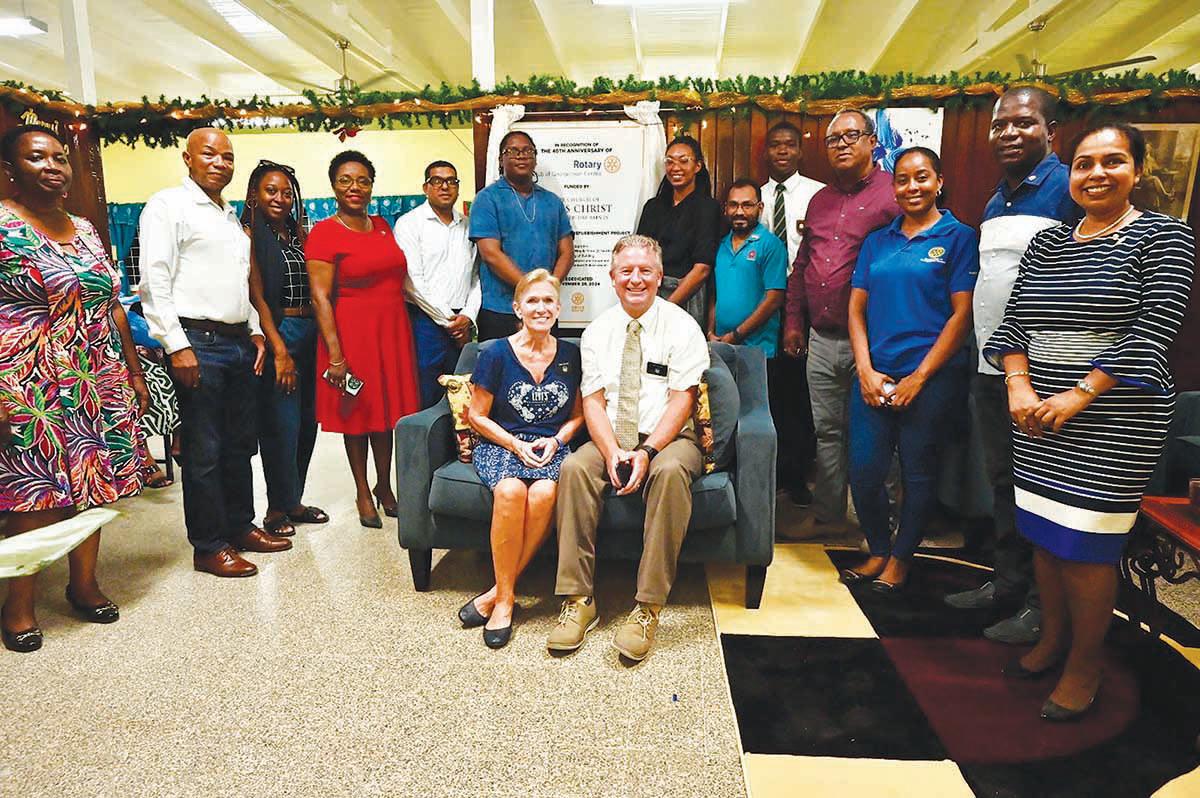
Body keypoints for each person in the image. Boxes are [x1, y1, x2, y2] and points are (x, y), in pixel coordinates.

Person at [984, 122, 1194, 721]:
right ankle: (1052, 640)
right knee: (1045, 537)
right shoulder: (1048, 243)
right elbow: (1015, 322)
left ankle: (1085, 664)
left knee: (1086, 545)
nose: (1097, 173)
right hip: (1036, 416)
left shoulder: (1163, 236)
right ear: (1069, 173)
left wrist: (1078, 396)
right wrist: (1019, 385)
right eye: (1084, 163)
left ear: (1137, 169)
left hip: (1114, 419)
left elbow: (1154, 330)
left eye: (1113, 161)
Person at [0, 125, 149, 652]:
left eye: (60, 157)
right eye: (36, 157)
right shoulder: (3, 226)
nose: (52, 166)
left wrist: (133, 374)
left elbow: (112, 305)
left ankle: (83, 584)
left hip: (96, 377)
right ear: (11, 169)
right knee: (34, 493)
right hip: (27, 382)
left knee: (92, 484)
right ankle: (18, 604)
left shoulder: (84, 228)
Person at [943, 87, 1081, 645]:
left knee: (1045, 486)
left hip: (1045, 372)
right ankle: (1007, 584)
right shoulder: (997, 197)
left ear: (1052, 132)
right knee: (1005, 481)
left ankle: (1042, 607)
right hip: (991, 364)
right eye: (1000, 125)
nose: (1008, 133)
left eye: (1023, 123)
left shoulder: (1068, 189)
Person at [548, 234, 709, 662]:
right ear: (612, 277)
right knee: (574, 469)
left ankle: (647, 607)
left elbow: (682, 400)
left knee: (670, 473)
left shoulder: (682, 326)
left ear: (659, 276)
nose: (635, 279)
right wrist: (612, 452)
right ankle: (578, 600)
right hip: (613, 436)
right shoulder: (597, 331)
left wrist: (648, 452)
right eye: (626, 271)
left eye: (645, 271)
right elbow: (593, 401)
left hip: (669, 439)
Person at [140, 128, 290, 578]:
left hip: (238, 342)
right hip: (197, 343)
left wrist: (255, 331)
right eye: (209, 154)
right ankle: (208, 546)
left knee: (240, 444)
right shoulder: (168, 206)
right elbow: (154, 281)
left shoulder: (227, 215)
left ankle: (240, 526)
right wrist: (176, 345)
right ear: (188, 157)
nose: (220, 163)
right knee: (204, 450)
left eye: (227, 156)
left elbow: (240, 282)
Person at [839, 147, 978, 591]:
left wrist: (919, 378)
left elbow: (962, 315)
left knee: (918, 472)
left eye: (922, 177)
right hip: (876, 374)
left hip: (932, 377)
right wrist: (864, 369)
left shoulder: (959, 237)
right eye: (902, 179)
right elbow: (856, 309)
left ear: (939, 182)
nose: (912, 186)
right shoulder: (877, 241)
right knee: (864, 469)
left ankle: (901, 559)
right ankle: (879, 549)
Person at [782, 109, 900, 535]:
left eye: (851, 136)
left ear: (873, 142)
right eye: (834, 139)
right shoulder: (820, 200)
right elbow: (802, 265)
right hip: (821, 337)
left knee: (879, 433)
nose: (842, 145)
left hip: (875, 341)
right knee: (827, 432)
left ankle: (883, 525)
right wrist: (794, 321)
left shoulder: (893, 194)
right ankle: (829, 515)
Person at [459, 269, 583, 649]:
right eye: (532, 301)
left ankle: (496, 593)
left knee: (544, 493)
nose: (541, 308)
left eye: (548, 301)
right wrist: (514, 444)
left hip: (550, 446)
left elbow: (579, 415)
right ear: (517, 308)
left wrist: (557, 440)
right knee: (511, 490)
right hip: (502, 443)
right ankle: (506, 601)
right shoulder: (495, 353)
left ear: (558, 308)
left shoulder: (572, 355)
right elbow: (477, 416)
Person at [306, 150, 421, 528]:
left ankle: (384, 486)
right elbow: (320, 297)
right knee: (357, 415)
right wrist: (336, 356)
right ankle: (361, 491)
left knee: (385, 415)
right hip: (351, 336)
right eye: (345, 180)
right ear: (333, 186)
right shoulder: (324, 233)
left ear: (372, 186)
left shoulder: (383, 225)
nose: (354, 187)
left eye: (362, 180)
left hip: (391, 332)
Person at [243, 160, 329, 538]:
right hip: (280, 331)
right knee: (281, 425)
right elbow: (257, 296)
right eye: (271, 191)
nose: (280, 198)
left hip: (311, 332)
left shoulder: (298, 235)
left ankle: (294, 500)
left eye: (286, 192)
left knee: (308, 422)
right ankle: (276, 508)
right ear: (254, 195)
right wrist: (279, 349)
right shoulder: (248, 235)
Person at [762, 121, 824, 508]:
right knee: (772, 393)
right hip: (765, 308)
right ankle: (773, 473)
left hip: (806, 306)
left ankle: (799, 475)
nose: (782, 151)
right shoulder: (755, 198)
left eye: (789, 145)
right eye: (775, 145)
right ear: (766, 151)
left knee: (801, 394)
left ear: (800, 151)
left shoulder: (819, 195)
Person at [469, 131, 574, 341]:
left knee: (545, 361)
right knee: (499, 362)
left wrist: (547, 289)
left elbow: (567, 253)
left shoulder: (552, 201)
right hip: (501, 310)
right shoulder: (487, 199)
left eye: (528, 150)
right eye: (513, 151)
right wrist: (531, 290)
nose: (521, 155)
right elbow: (490, 254)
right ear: (501, 160)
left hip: (544, 309)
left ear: (535, 159)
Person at [394, 160, 479, 407]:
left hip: (462, 322)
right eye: (437, 181)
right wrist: (450, 322)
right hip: (425, 322)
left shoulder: (468, 226)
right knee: (426, 393)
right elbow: (412, 282)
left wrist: (468, 316)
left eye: (451, 181)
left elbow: (476, 277)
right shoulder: (410, 224)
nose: (445, 186)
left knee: (463, 394)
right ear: (426, 187)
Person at [636, 136, 723, 327]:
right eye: (670, 161)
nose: (675, 167)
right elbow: (639, 257)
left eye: (684, 161)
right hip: (649, 293)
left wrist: (665, 309)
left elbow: (702, 269)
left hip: (686, 295)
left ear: (698, 166)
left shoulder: (708, 208)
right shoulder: (652, 207)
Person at [708, 180, 787, 349]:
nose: (739, 212)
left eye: (747, 205)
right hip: (720, 343)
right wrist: (710, 332)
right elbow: (715, 296)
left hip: (758, 348)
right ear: (726, 208)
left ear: (760, 207)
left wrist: (736, 335)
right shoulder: (720, 245)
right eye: (733, 205)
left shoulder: (771, 245)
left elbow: (774, 299)